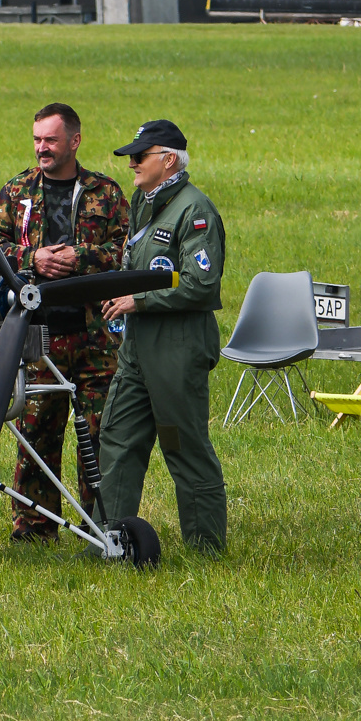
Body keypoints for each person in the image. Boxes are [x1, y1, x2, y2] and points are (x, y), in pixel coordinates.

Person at [0, 104, 129, 542]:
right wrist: (33, 258)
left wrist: (79, 259)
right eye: (37, 140)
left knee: (99, 440)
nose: (42, 148)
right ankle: (34, 529)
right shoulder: (18, 191)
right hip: (39, 338)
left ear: (74, 142)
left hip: (95, 338)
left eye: (51, 140)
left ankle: (101, 528)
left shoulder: (106, 192)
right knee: (37, 435)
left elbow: (127, 251)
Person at [98, 120, 227, 554]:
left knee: (182, 445)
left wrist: (140, 300)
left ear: (168, 160)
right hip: (137, 347)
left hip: (177, 347)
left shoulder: (195, 210)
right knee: (118, 438)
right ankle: (108, 541)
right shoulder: (143, 201)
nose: (131, 163)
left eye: (141, 155)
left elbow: (200, 285)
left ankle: (205, 547)